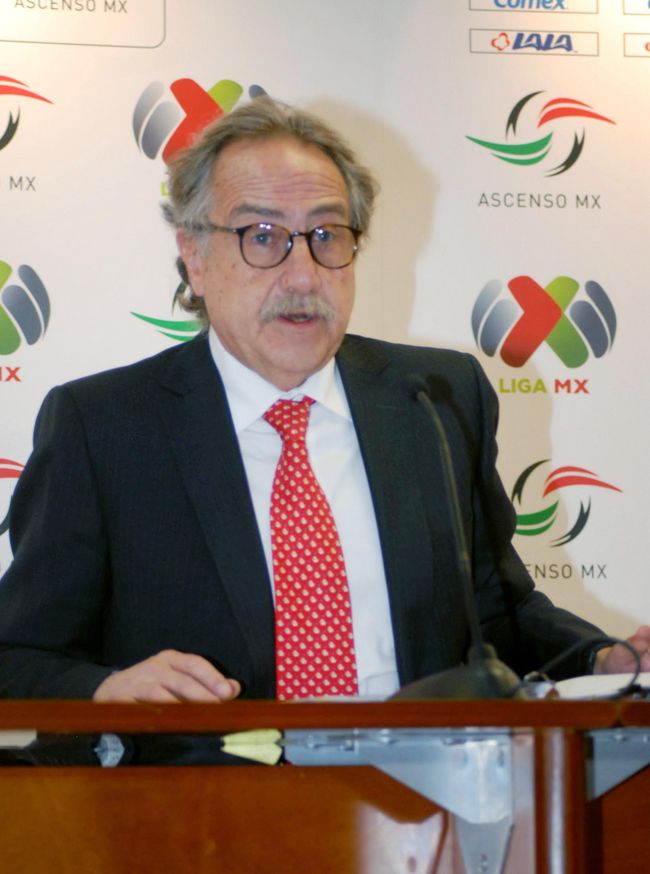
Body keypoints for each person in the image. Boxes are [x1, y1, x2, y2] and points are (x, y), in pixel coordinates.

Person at [0, 98, 648, 763]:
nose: (304, 274)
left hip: (424, 792)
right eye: (262, 236)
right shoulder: (105, 427)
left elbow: (497, 611)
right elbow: (17, 653)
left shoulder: (437, 398)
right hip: (206, 805)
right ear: (194, 256)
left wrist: (602, 657)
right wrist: (105, 689)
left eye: (327, 235)